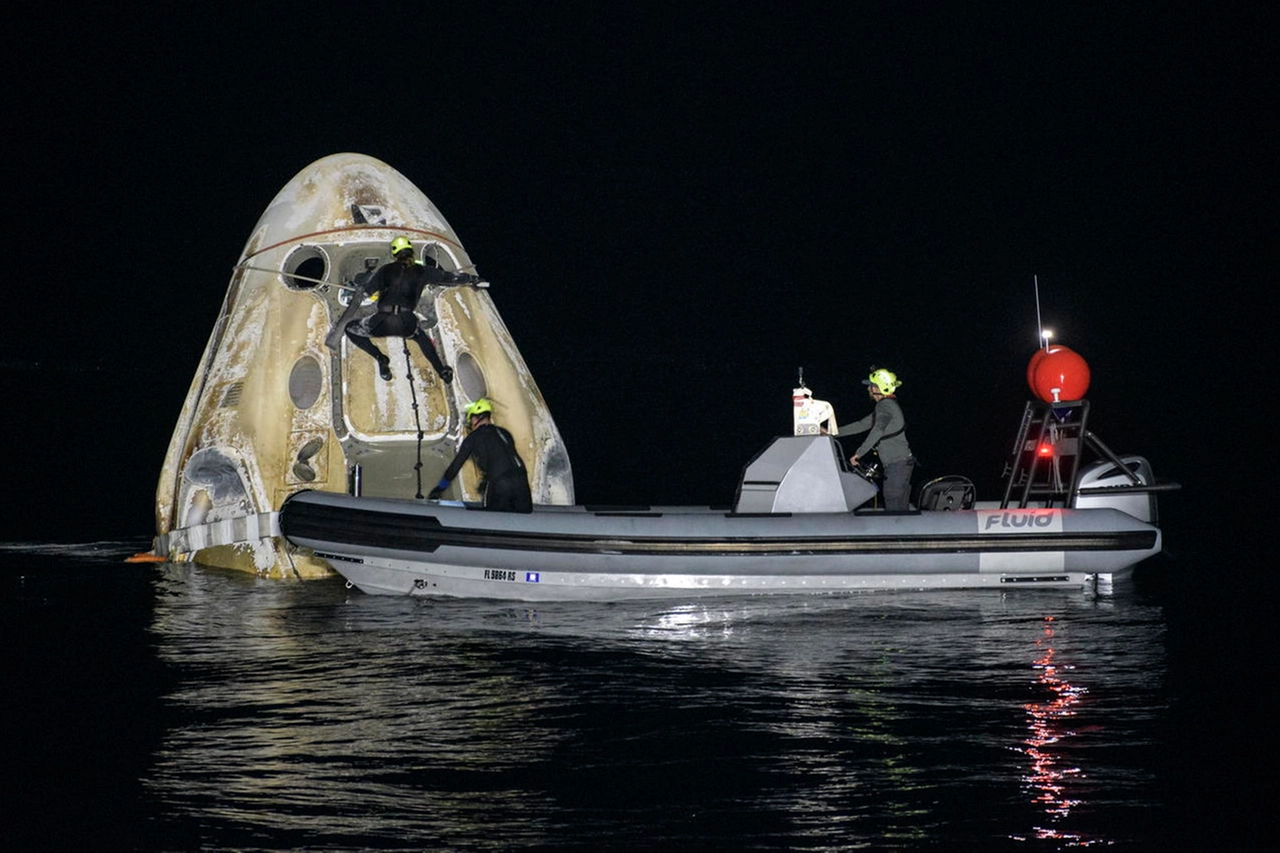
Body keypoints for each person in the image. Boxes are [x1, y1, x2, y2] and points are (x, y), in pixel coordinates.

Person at [327, 236, 481, 382]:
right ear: (411, 251)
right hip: (407, 323)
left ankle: (380, 357)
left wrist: (359, 290)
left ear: (394, 254)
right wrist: (472, 279)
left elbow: (366, 293)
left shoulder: (385, 270)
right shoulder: (423, 271)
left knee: (350, 329)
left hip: (381, 322)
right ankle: (441, 370)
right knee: (421, 338)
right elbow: (450, 278)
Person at [428, 398, 532, 512]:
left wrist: (440, 488)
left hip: (500, 482)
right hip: (521, 480)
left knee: (492, 518)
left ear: (476, 418)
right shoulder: (504, 433)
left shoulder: (474, 437)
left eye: (471, 418)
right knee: (522, 516)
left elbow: (455, 467)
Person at [837, 367, 915, 510]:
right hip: (901, 465)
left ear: (879, 388)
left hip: (897, 466)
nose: (868, 389)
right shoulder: (888, 406)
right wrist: (832, 432)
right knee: (901, 508)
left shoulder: (884, 406)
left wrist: (859, 453)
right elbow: (861, 425)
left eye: (871, 386)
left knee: (893, 505)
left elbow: (877, 430)